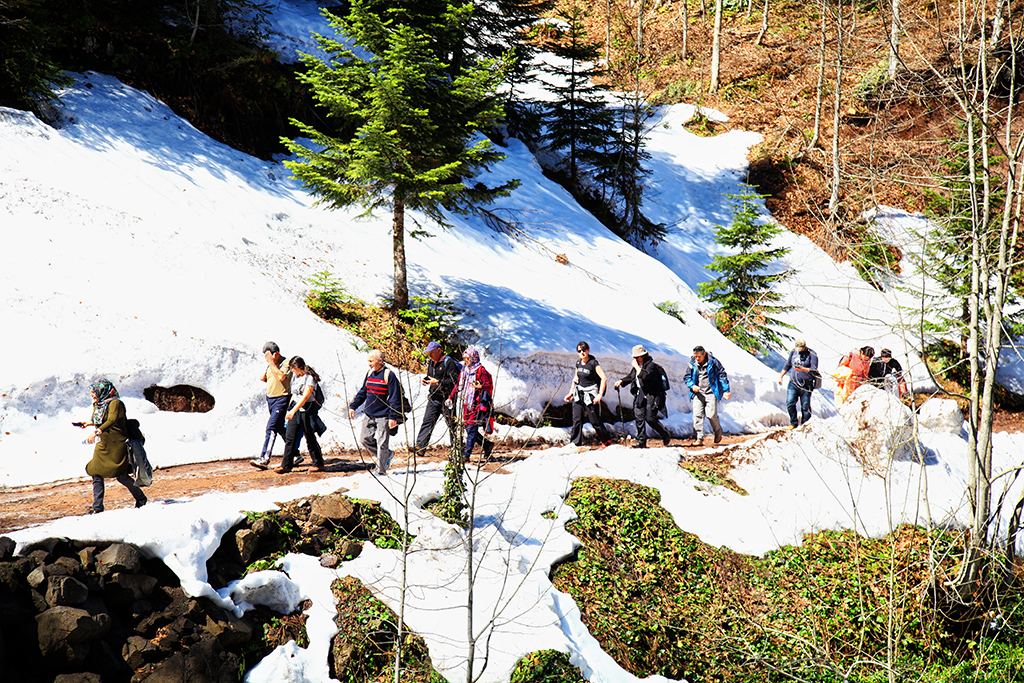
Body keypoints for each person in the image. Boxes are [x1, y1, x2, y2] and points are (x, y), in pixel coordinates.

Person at [78, 379, 147, 514]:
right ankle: (97, 507)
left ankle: (141, 498)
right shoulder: (99, 404)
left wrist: (96, 432)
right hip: (103, 444)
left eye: (94, 392)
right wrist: (89, 423)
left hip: (117, 445)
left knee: (121, 476)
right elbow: (101, 420)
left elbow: (112, 420)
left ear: (103, 391)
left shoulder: (116, 403)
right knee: (96, 472)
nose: (92, 395)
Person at [349, 349, 402, 476]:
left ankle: (381, 471)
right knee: (364, 439)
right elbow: (363, 392)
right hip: (369, 413)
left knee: (382, 443)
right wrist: (353, 406)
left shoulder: (389, 375)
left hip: (384, 415)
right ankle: (387, 455)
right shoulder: (370, 374)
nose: (369, 364)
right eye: (368, 361)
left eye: (371, 361)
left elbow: (395, 398)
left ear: (380, 361)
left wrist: (393, 417)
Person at [252, 341, 301, 470]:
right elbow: (265, 378)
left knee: (271, 427)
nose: (267, 359)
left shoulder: (286, 363)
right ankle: (295, 454)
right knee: (279, 427)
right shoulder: (271, 364)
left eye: (269, 356)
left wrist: (271, 363)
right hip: (271, 399)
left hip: (282, 398)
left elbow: (281, 377)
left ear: (276, 353)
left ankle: (264, 458)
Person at [614, 345, 671, 448]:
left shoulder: (651, 366)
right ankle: (641, 441)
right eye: (634, 357)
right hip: (640, 394)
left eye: (637, 357)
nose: (635, 359)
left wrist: (636, 367)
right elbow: (631, 377)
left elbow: (645, 376)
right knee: (639, 417)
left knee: (650, 418)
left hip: (652, 395)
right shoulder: (637, 367)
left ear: (643, 356)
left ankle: (664, 433)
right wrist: (622, 381)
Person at [275, 357, 326, 474]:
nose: (292, 371)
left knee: (309, 436)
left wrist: (294, 410)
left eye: (293, 368)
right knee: (290, 436)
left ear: (298, 367)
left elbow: (306, 396)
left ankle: (318, 463)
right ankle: (286, 465)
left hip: (307, 409)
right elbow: (294, 394)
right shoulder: (296, 377)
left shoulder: (310, 378)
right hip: (295, 409)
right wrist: (290, 408)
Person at [413, 341, 461, 456]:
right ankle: (420, 447)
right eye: (428, 353)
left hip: (447, 398)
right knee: (427, 421)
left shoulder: (448, 362)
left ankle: (456, 448)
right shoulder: (431, 362)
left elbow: (454, 380)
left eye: (431, 353)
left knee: (452, 424)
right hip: (434, 397)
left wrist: (438, 382)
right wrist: (426, 380)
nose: (429, 355)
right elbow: (431, 376)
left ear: (439, 350)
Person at [448, 347, 495, 460]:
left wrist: (480, 386)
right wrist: (451, 397)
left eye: (468, 358)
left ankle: (466, 454)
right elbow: (458, 384)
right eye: (464, 358)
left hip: (476, 403)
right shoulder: (465, 369)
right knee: (468, 427)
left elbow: (488, 385)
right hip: (466, 403)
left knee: (472, 427)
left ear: (474, 358)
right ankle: (487, 445)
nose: (466, 361)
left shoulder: (481, 370)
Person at [564, 341, 611, 447]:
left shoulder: (593, 363)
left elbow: (604, 378)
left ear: (588, 350)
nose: (582, 353)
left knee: (594, 420)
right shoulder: (578, 363)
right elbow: (576, 379)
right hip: (579, 393)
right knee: (577, 419)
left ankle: (606, 439)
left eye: (584, 350)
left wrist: (600, 394)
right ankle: (575, 443)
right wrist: (570, 393)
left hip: (590, 394)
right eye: (579, 351)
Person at [684, 345, 731, 446]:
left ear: (704, 354)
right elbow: (687, 377)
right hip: (698, 393)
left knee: (711, 414)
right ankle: (699, 438)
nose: (697, 358)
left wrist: (726, 390)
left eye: (699, 356)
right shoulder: (692, 363)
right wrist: (692, 386)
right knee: (697, 415)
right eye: (695, 356)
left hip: (711, 392)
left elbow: (722, 375)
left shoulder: (713, 362)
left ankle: (718, 431)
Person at [778, 339, 819, 428]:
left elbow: (814, 370)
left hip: (806, 385)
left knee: (805, 406)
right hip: (793, 383)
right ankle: (793, 422)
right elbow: (788, 365)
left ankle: (805, 425)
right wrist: (781, 376)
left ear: (805, 346)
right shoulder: (793, 352)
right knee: (790, 402)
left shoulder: (812, 354)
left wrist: (802, 369)